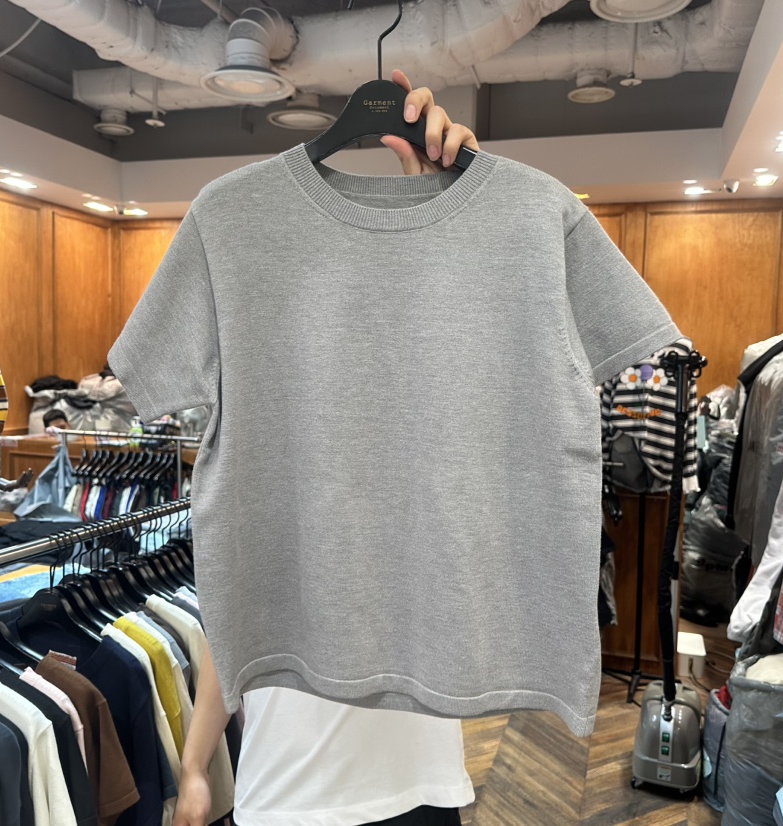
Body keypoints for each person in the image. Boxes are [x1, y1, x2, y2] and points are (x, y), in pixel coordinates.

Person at [172, 70, 481, 826]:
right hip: (287, 793)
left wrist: (444, 214)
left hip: (422, 784)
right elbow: (232, 614)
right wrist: (194, 767)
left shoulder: (435, 413)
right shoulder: (262, 427)